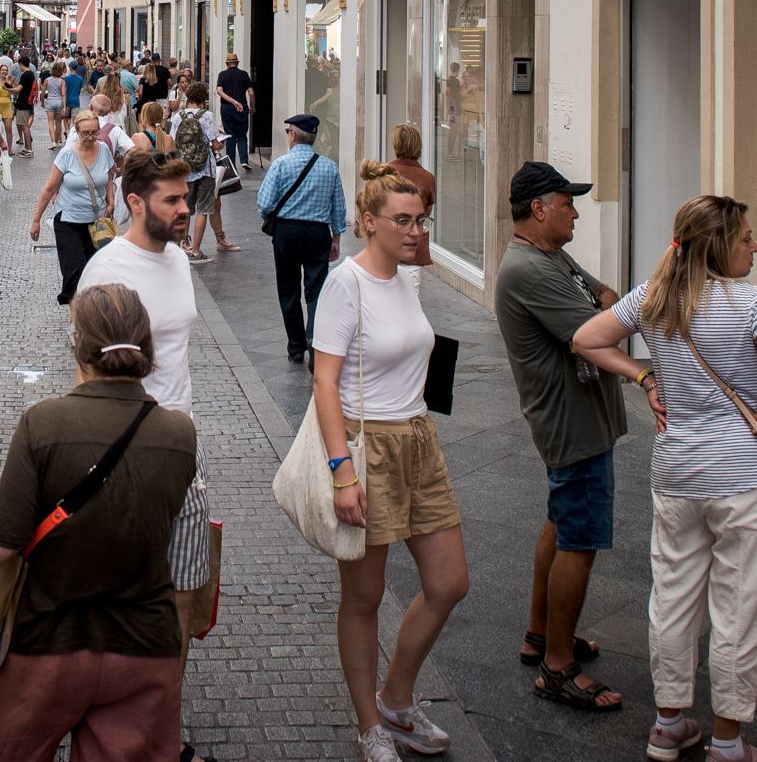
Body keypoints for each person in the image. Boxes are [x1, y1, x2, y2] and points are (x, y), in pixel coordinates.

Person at [573, 195, 757, 762]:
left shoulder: (653, 297)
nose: (755, 246)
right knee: (740, 606)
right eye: (746, 239)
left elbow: (587, 339)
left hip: (678, 475)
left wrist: (644, 376)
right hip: (746, 477)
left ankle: (668, 725)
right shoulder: (750, 302)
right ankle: (729, 744)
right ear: (719, 246)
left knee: (673, 597)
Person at [0, 284, 199, 761]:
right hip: (143, 647)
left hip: (48, 645)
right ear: (147, 348)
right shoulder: (180, 434)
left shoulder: (42, 424)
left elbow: (0, 548)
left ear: (78, 344)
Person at [313, 164, 466, 761]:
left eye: (419, 220)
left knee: (450, 581)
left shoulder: (408, 276)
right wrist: (341, 473)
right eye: (401, 221)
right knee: (366, 596)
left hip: (418, 439)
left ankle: (397, 698)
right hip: (365, 445)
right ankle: (369, 724)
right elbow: (324, 383)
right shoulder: (344, 285)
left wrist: (416, 248)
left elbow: (416, 329)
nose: (413, 230)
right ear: (369, 222)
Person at [76, 152, 216, 762]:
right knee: (118, 596)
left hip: (182, 452)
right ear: (136, 203)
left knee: (181, 594)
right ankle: (106, 726)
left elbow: (179, 356)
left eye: (186, 199)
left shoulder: (181, 261)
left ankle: (161, 728)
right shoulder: (107, 271)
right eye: (172, 201)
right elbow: (83, 372)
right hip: (122, 457)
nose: (186, 210)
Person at [496, 161, 628, 714]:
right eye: (566, 201)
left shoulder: (551, 257)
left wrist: (604, 307)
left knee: (561, 518)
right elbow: (597, 328)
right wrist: (638, 367)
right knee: (580, 535)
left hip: (581, 417)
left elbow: (607, 295)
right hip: (569, 423)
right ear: (538, 209)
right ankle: (557, 668)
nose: (576, 210)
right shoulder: (528, 268)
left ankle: (541, 634)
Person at [255, 116, 348, 364]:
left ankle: (296, 346)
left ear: (293, 135)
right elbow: (338, 208)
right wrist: (336, 238)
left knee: (288, 289)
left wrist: (274, 216)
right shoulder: (329, 166)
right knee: (317, 291)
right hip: (318, 233)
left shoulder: (281, 165)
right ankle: (315, 341)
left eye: (288, 132)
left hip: (287, 232)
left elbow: (264, 204)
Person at [31, 109, 117, 304]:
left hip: (96, 224)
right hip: (68, 221)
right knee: (75, 271)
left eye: (94, 132)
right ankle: (77, 318)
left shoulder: (103, 149)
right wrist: (36, 220)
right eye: (85, 133)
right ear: (76, 131)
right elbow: (48, 189)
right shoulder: (67, 154)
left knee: (95, 272)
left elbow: (108, 178)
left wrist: (111, 202)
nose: (90, 137)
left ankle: (88, 314)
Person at [169, 83, 235, 263]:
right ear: (203, 98)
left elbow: (172, 143)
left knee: (186, 210)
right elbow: (215, 144)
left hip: (184, 170)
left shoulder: (178, 116)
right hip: (205, 169)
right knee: (203, 210)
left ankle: (184, 245)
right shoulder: (207, 116)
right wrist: (220, 143)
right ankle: (196, 251)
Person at [216, 53, 256, 177]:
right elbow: (251, 92)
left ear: (227, 63)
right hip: (242, 107)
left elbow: (219, 91)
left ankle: (232, 164)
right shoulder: (244, 75)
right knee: (242, 135)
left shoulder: (222, 75)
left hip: (227, 108)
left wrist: (232, 101)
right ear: (237, 63)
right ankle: (244, 160)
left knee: (230, 136)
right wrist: (253, 107)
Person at [388, 124, 436, 218]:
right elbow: (426, 213)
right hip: (416, 231)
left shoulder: (384, 172)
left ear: (396, 145)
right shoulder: (428, 178)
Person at [13, 54, 40, 155]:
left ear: (21, 64)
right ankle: (27, 148)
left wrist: (8, 89)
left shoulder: (25, 75)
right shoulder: (31, 74)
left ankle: (29, 149)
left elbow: (18, 89)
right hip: (26, 103)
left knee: (25, 126)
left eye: (19, 65)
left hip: (23, 103)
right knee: (23, 125)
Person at [45, 62, 69, 149]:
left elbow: (44, 92)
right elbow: (63, 94)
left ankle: (53, 142)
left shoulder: (47, 80)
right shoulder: (62, 81)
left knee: (50, 122)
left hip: (50, 101)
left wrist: (42, 101)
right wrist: (64, 106)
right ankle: (57, 140)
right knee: (58, 122)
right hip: (59, 101)